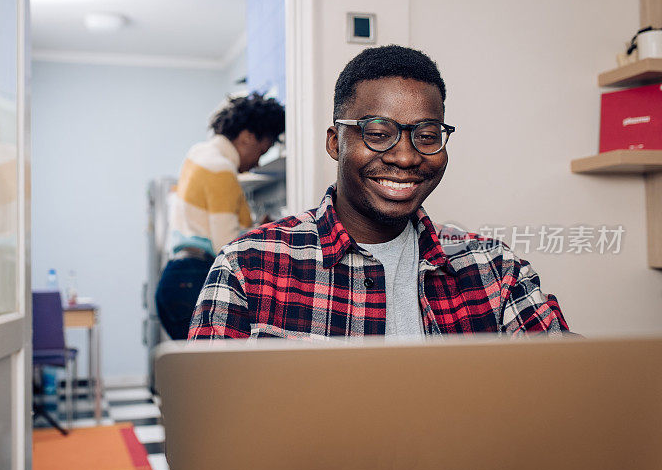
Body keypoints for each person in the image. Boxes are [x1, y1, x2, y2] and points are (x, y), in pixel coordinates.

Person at [189, 45, 570, 340]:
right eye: (378, 134)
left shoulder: (494, 270)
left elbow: (573, 388)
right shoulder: (249, 265)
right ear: (335, 142)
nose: (406, 156)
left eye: (426, 136)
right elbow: (207, 427)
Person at [155, 92, 285, 339]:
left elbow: (207, 223)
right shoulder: (220, 168)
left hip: (176, 278)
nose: (258, 162)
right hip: (194, 278)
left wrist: (255, 227)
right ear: (247, 137)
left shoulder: (199, 153)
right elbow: (225, 246)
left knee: (198, 372)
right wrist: (265, 233)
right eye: (262, 149)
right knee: (210, 372)